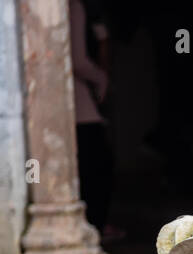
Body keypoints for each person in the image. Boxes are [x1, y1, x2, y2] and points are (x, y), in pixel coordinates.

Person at [70, 0, 116, 236]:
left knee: (94, 165)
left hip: (80, 101)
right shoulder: (73, 6)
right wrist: (102, 80)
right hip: (78, 101)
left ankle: (96, 226)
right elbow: (78, 61)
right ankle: (95, 228)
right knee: (97, 166)